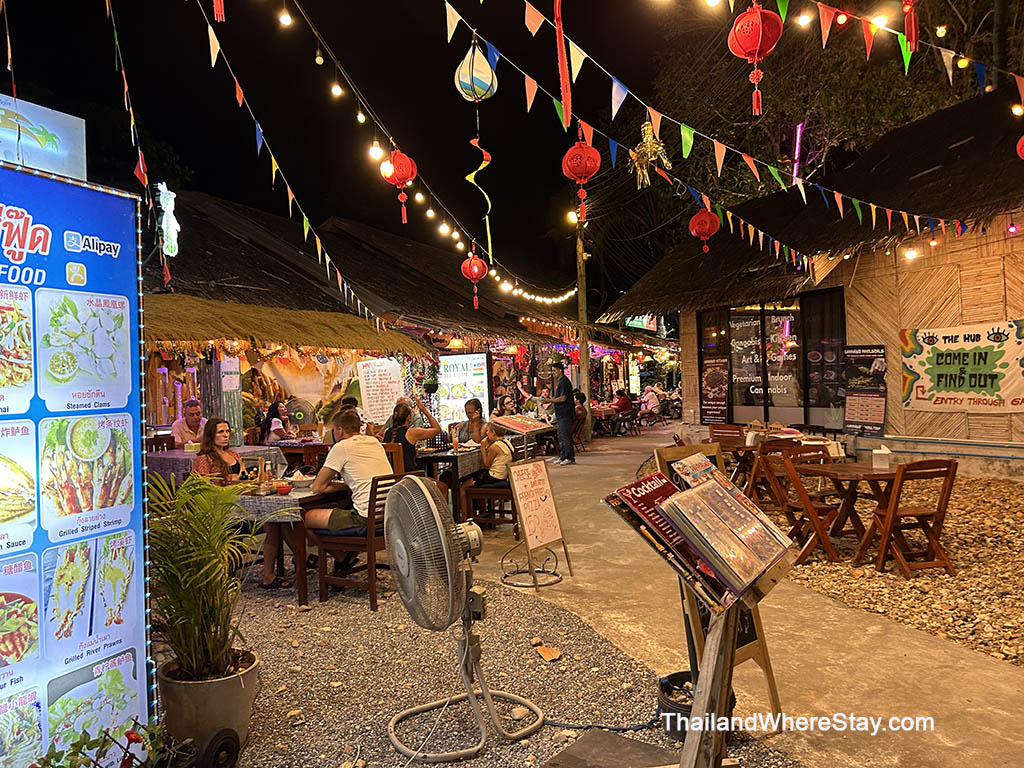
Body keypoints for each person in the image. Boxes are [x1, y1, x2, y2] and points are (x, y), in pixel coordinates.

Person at [308, 409, 394, 534]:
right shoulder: (374, 442)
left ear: (340, 430)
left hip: (364, 517)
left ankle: (330, 552)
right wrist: (349, 484)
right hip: (387, 513)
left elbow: (317, 487)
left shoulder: (342, 446)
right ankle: (345, 554)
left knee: (305, 517)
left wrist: (344, 485)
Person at [459, 423, 515, 512]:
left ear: (493, 432)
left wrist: (482, 448)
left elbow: (487, 465)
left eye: (488, 431)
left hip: (493, 477)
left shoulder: (495, 447)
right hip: (503, 476)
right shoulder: (507, 442)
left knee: (463, 486)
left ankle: (465, 517)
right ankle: (481, 510)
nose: (486, 434)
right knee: (475, 476)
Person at [382, 395, 442, 473]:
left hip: (392, 477)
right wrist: (423, 410)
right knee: (441, 485)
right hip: (410, 477)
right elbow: (437, 429)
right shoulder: (411, 433)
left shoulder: (386, 432)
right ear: (409, 417)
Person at [538, 361, 575, 465]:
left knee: (565, 436)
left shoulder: (564, 382)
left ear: (560, 370)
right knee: (561, 436)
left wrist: (550, 400)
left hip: (565, 413)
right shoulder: (560, 382)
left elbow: (563, 398)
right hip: (560, 414)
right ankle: (563, 456)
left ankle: (569, 458)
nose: (553, 373)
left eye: (554, 371)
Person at [190, 419, 241, 486]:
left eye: (227, 431)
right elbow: (203, 486)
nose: (225, 435)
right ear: (211, 435)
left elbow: (244, 475)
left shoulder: (234, 454)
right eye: (220, 432)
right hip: (219, 495)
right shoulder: (204, 459)